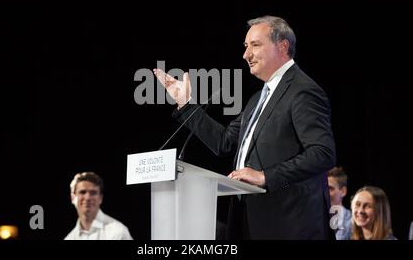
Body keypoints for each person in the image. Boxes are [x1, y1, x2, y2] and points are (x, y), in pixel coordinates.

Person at [154, 15, 336, 239]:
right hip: (250, 219)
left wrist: (265, 177)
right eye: (245, 46)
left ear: (283, 46)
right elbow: (223, 142)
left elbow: (323, 154)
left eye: (255, 45)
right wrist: (186, 104)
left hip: (290, 224)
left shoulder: (303, 91)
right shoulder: (258, 99)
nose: (246, 54)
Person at [65, 171, 133, 240]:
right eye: (82, 192)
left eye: (93, 193)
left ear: (100, 198)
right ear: (73, 197)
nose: (88, 197)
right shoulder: (69, 238)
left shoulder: (118, 232)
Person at [328, 167, 352, 240]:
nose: (325, 193)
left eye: (330, 188)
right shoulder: (314, 219)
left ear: (343, 191)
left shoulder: (353, 222)